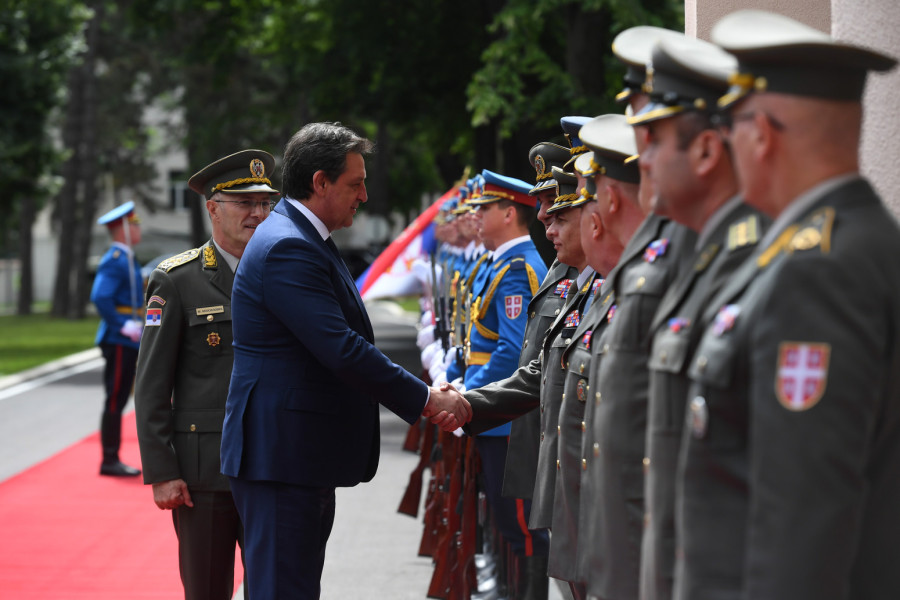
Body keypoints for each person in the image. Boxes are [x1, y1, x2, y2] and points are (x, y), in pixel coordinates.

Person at [673, 10, 900, 599]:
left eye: (731, 126)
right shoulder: (861, 243)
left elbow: (803, 515)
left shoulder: (817, 271)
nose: (727, 144)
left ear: (762, 136)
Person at [220, 121, 471, 599]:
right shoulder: (289, 245)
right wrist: (425, 398)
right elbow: (341, 347)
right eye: (355, 184)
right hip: (282, 458)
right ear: (320, 182)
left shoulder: (302, 236)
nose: (364, 195)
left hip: (295, 456)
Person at [626, 35, 769, 600]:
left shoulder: (755, 264)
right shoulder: (705, 255)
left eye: (655, 140)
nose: (643, 159)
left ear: (707, 151)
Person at [134, 149, 278, 600]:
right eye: (245, 203)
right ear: (213, 208)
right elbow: (151, 384)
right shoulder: (177, 280)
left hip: (275, 465)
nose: (258, 214)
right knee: (207, 590)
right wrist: (162, 471)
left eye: (265, 203)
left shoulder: (284, 272)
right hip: (205, 473)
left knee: (275, 589)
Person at [463, 169, 549, 599]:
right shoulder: (502, 263)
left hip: (505, 418)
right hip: (494, 415)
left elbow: (513, 352)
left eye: (485, 209)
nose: (475, 217)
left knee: (520, 524)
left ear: (510, 213)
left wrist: (471, 397)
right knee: (503, 517)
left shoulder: (517, 268)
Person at [90, 201, 144, 477]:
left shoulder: (126, 258)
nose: (139, 230)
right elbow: (101, 296)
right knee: (115, 398)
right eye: (135, 225)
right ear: (124, 229)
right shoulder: (115, 259)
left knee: (119, 397)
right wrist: (123, 325)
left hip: (128, 337)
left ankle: (111, 457)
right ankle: (109, 459)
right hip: (119, 338)